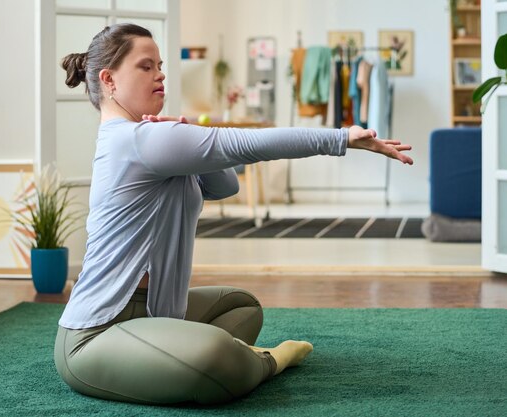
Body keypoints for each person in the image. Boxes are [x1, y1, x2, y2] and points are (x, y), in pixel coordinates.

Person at [55, 23, 413, 405]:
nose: (160, 73)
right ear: (108, 80)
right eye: (146, 66)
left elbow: (225, 186)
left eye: (160, 65)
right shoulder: (135, 139)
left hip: (155, 308)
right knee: (215, 353)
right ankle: (265, 362)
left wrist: (187, 133)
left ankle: (209, 357)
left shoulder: (151, 136)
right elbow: (244, 143)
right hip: (95, 335)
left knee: (242, 306)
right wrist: (341, 138)